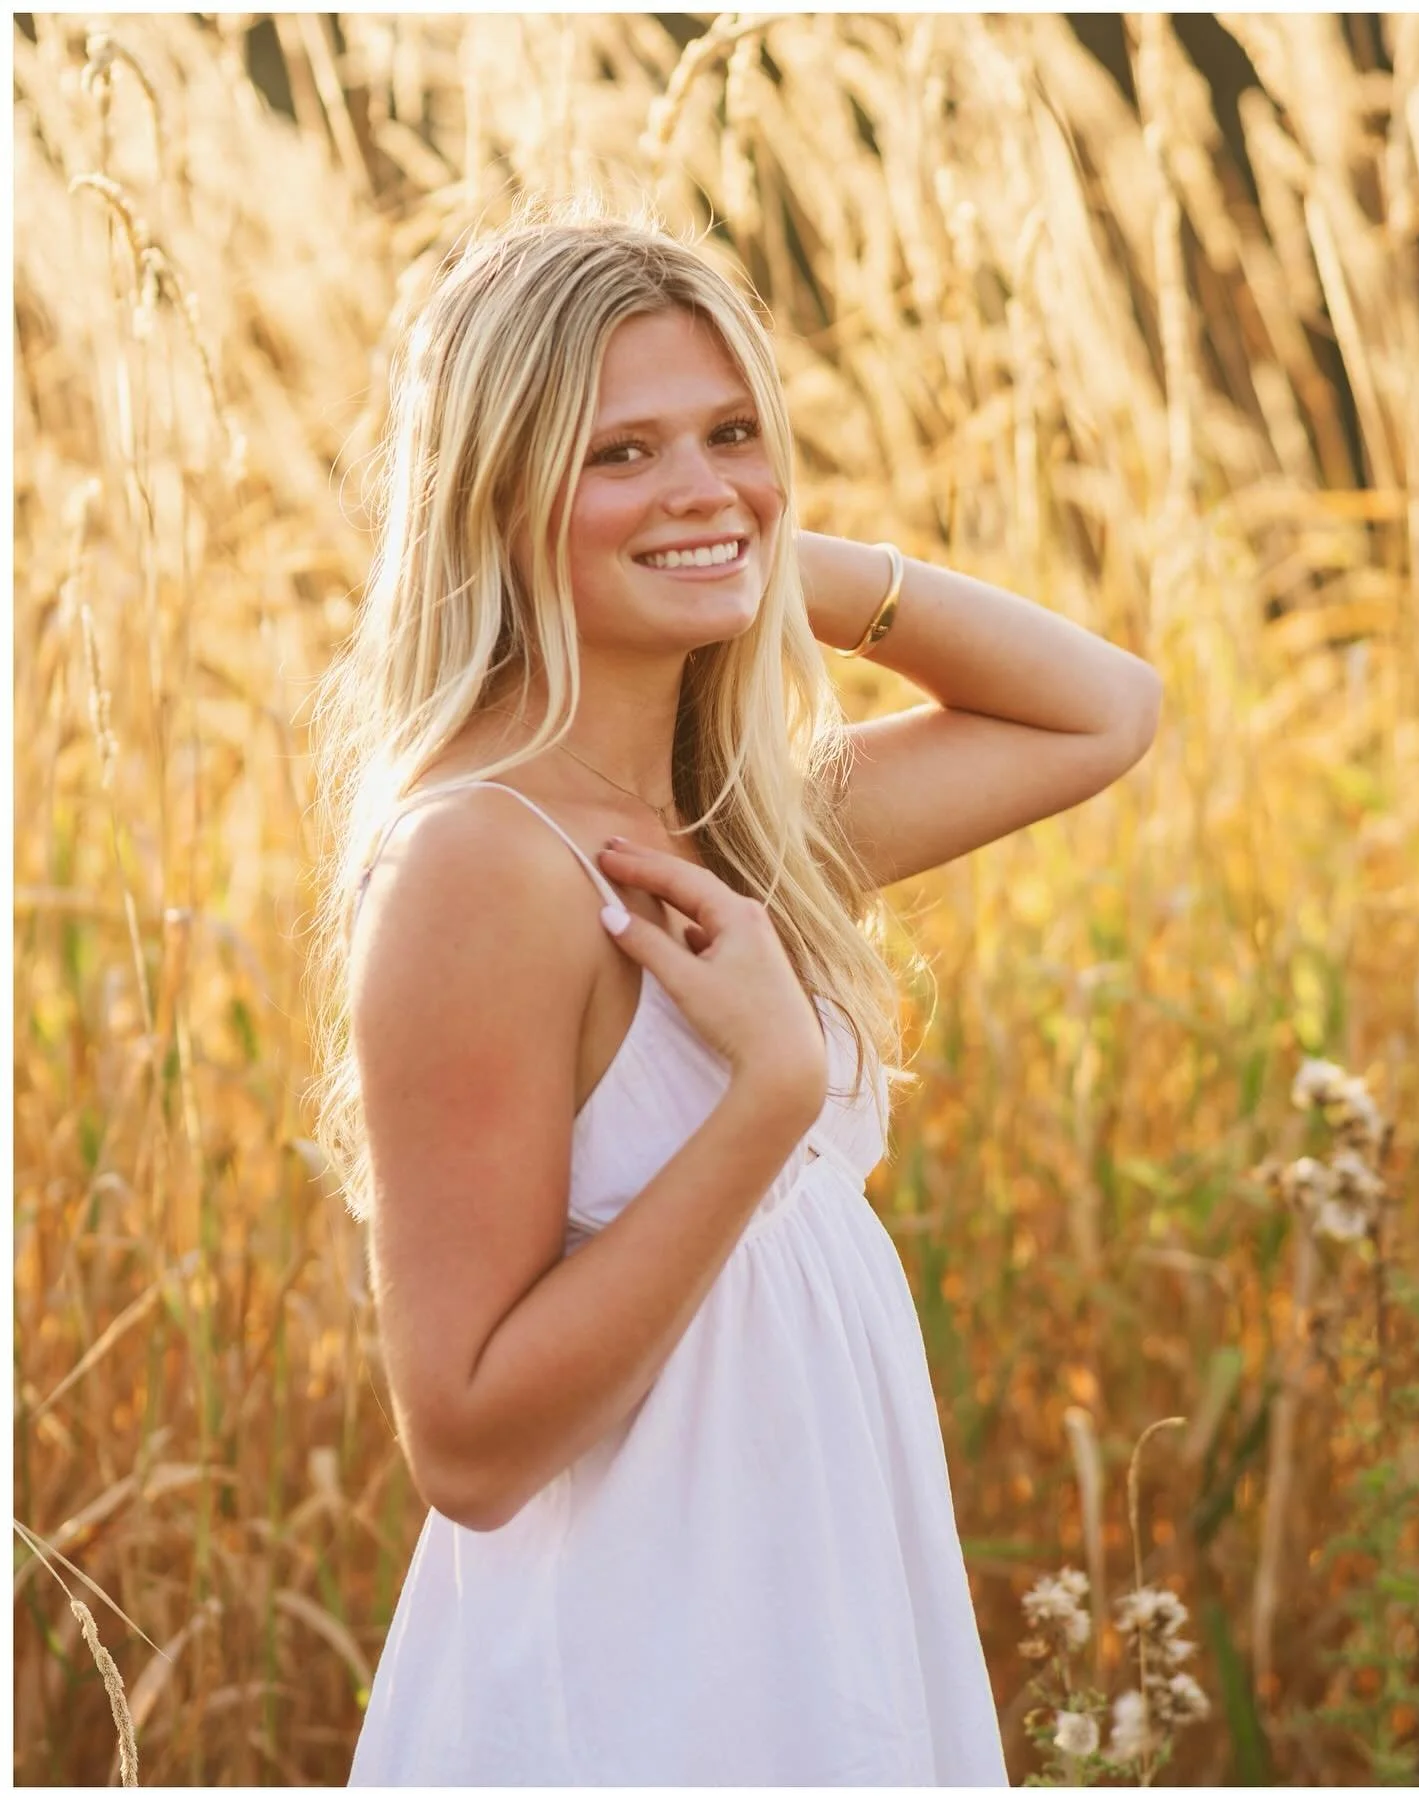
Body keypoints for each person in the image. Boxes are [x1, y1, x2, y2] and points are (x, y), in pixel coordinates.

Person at [307, 194, 1160, 1786]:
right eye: (618, 453)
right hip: (640, 1678)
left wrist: (752, 544)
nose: (698, 483)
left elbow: (1103, 712)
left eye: (730, 430)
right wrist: (765, 1099)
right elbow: (468, 1443)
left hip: (813, 1633)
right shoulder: (482, 865)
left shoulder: (735, 827)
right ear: (490, 500)